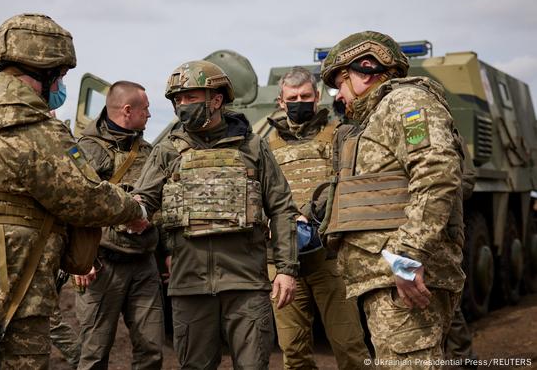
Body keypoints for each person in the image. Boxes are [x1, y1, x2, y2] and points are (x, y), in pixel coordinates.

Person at [0, 13, 146, 369]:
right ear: (47, 71)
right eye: (62, 76)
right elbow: (85, 199)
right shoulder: (39, 133)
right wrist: (134, 211)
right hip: (16, 294)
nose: (61, 84)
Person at [132, 60, 299, 369]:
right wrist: (132, 213)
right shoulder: (168, 150)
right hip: (190, 286)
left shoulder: (253, 147)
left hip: (246, 285)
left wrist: (287, 269)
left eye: (190, 97)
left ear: (217, 99)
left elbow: (282, 208)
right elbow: (143, 201)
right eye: (178, 99)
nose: (182, 105)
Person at [320, 31, 465, 367]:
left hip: (404, 279)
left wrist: (408, 258)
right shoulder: (378, 115)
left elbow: (436, 173)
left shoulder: (406, 102)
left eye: (339, 84)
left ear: (365, 70)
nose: (339, 96)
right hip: (388, 279)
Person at [266, 67, 370, 369]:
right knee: (294, 352)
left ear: (317, 97)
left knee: (350, 346)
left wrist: (310, 213)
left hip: (329, 256)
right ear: (281, 102)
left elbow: (349, 183)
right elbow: (256, 194)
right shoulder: (266, 146)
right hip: (284, 262)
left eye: (305, 96)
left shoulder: (339, 135)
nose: (299, 101)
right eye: (293, 97)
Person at [73, 80, 164, 369]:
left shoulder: (149, 152)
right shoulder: (85, 151)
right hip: (101, 266)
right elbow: (71, 207)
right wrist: (80, 261)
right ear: (127, 110)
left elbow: (163, 201)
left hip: (144, 264)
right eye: (146, 109)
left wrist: (166, 247)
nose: (149, 115)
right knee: (94, 352)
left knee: (151, 350)